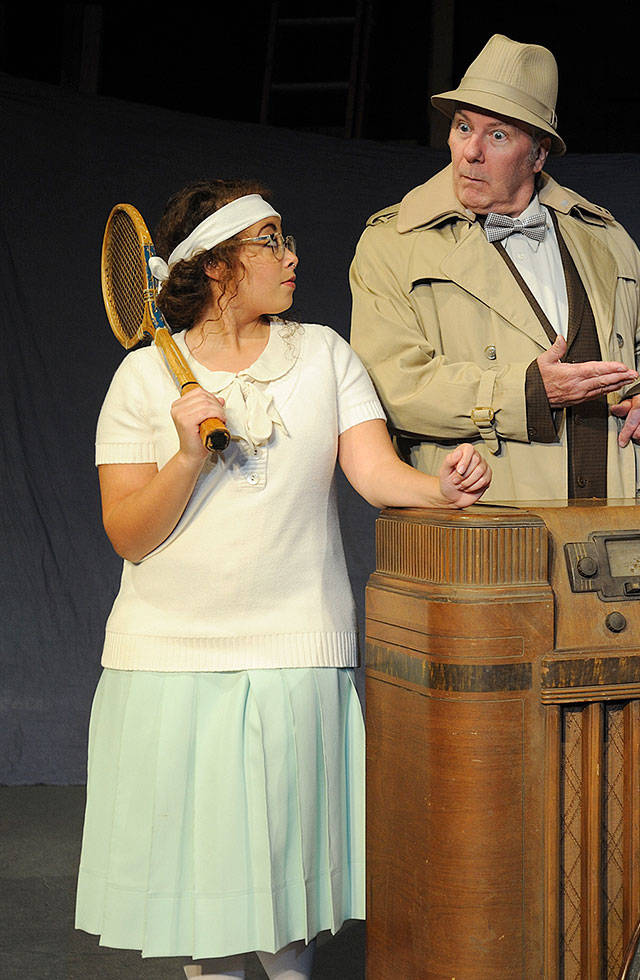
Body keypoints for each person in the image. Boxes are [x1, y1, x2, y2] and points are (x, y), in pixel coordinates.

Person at [75, 179, 491, 980]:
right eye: (270, 241)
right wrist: (189, 456)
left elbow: (375, 473)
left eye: (285, 237)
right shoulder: (141, 380)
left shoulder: (324, 354)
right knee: (205, 902)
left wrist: (440, 487)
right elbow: (128, 532)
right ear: (220, 266)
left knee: (284, 897)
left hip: (294, 652)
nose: (292, 254)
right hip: (170, 662)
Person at [350, 34, 640, 501]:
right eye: (463, 127)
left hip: (612, 522)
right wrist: (526, 393)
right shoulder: (394, 243)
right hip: (489, 525)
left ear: (538, 154)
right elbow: (397, 386)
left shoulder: (603, 236)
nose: (471, 151)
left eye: (497, 135)